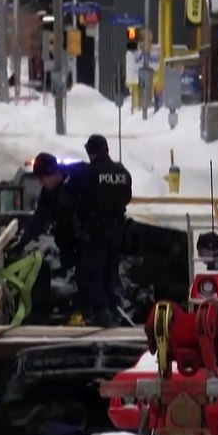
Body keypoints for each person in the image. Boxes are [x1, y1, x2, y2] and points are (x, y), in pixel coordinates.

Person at [77, 134, 133, 326]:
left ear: (90, 152)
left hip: (96, 230)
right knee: (110, 273)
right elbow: (127, 197)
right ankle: (113, 309)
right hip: (118, 230)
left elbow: (82, 200)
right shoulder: (122, 172)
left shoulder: (90, 173)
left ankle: (102, 312)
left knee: (92, 273)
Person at [12, 152, 90, 273]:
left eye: (42, 178)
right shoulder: (48, 193)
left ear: (53, 174)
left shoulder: (77, 183)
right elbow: (38, 220)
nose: (40, 183)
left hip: (90, 242)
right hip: (68, 243)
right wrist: (21, 244)